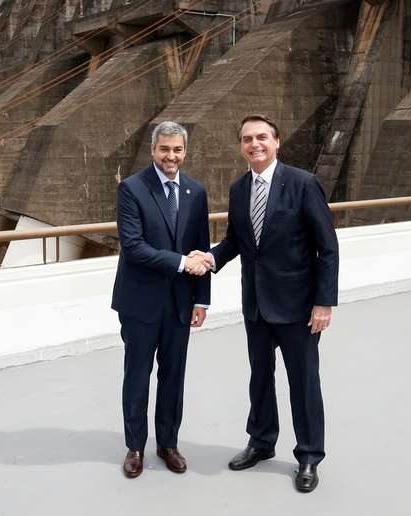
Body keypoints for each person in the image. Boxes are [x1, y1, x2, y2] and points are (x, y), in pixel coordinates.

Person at [195, 114, 339, 493]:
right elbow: (235, 241)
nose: (254, 144)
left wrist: (323, 303)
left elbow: (328, 247)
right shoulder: (239, 188)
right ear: (241, 146)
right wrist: (211, 258)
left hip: (298, 307)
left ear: (277, 142)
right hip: (256, 305)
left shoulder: (303, 184)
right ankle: (260, 442)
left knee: (303, 382)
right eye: (247, 139)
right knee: (260, 377)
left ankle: (309, 455)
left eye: (261, 137)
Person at [112, 121, 212, 479]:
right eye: (165, 149)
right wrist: (182, 262)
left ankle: (168, 444)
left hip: (181, 304)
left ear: (185, 152)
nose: (171, 156)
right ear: (153, 150)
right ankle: (135, 446)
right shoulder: (132, 189)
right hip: (140, 303)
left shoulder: (196, 192)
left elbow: (201, 243)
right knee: (138, 375)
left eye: (178, 150)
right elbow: (134, 246)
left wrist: (202, 301)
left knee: (174, 375)